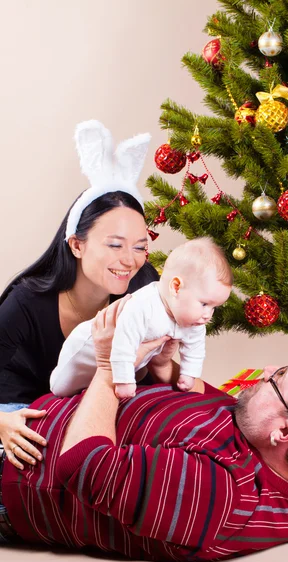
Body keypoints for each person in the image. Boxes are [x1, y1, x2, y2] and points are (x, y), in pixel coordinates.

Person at [2, 302, 288, 562]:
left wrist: (109, 367)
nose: (261, 374)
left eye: (276, 378)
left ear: (284, 431)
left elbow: (82, 465)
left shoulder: (222, 495)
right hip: (24, 416)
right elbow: (207, 402)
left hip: (12, 473)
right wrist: (166, 367)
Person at [0, 119, 164, 469]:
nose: (129, 260)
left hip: (91, 404)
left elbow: (163, 376)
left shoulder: (144, 286)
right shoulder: (26, 301)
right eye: (115, 244)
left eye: (139, 247)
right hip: (23, 408)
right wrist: (1, 422)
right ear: (76, 244)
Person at [50, 237, 232, 400]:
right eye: (204, 304)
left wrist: (188, 374)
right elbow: (123, 344)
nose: (208, 314)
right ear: (176, 287)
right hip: (86, 349)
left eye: (214, 307)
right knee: (62, 388)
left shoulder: (193, 319)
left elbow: (195, 347)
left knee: (93, 390)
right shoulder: (143, 306)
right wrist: (124, 380)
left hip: (132, 362)